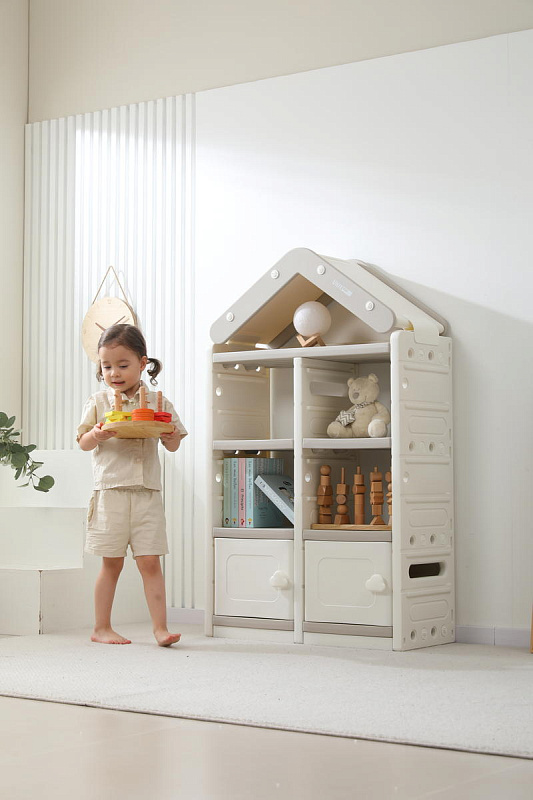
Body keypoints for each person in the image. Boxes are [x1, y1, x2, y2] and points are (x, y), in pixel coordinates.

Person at [77, 324, 187, 647]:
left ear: (142, 363)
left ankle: (160, 629)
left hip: (146, 493)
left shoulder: (157, 402)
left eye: (123, 365)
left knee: (150, 561)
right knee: (111, 563)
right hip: (110, 492)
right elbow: (83, 442)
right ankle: (101, 627)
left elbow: (173, 443)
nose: (114, 373)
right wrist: (96, 434)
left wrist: (171, 436)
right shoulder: (98, 401)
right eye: (106, 366)